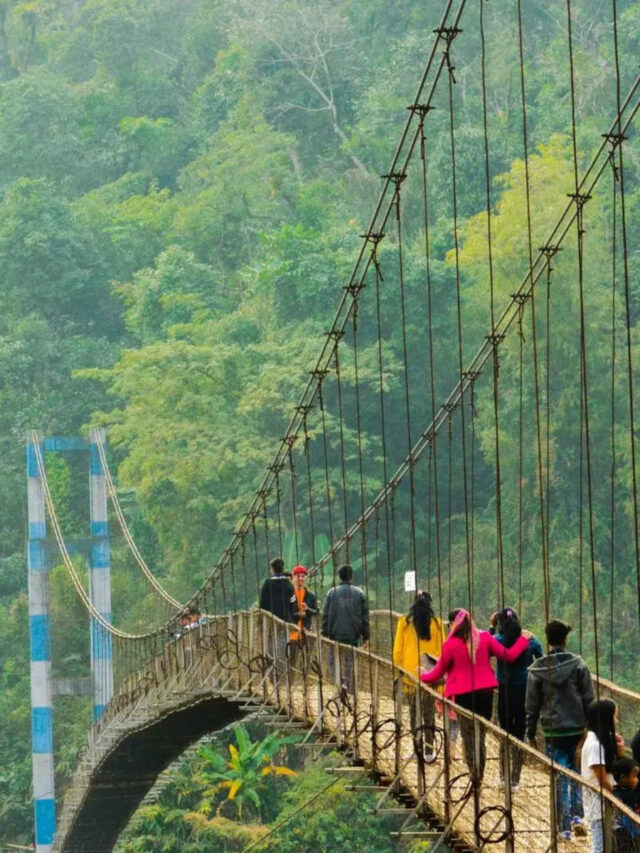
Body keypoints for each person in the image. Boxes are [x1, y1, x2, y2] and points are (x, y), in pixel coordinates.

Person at [420, 608, 531, 781]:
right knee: (480, 734)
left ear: (453, 625)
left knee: (468, 734)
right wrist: (523, 640)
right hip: (485, 694)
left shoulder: (450, 645)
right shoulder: (485, 638)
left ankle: (475, 774)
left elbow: (436, 673)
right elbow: (508, 656)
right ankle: (479, 771)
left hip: (463, 696)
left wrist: (421, 675)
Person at [526, 619, 594, 840]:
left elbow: (532, 705)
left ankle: (563, 827)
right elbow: (589, 699)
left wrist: (530, 732)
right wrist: (591, 728)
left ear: (548, 639)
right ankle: (577, 816)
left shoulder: (538, 670)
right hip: (577, 729)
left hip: (553, 731)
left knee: (559, 777)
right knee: (576, 772)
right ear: (565, 639)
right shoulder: (579, 665)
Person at [491, 607, 543, 791]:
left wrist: (491, 628)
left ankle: (503, 778)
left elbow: (483, 648)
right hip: (524, 690)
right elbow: (541, 661)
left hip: (504, 690)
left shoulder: (497, 639)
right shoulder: (531, 640)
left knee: (504, 733)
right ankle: (515, 781)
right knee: (519, 734)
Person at [393, 591, 445, 762]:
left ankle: (417, 748)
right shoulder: (437, 625)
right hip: (430, 675)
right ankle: (429, 752)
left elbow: (398, 651)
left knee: (414, 712)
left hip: (410, 675)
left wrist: (399, 669)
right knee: (429, 713)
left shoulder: (404, 622)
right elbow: (443, 651)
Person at [581, 699, 625, 852]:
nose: (616, 721)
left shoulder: (596, 740)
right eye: (614, 717)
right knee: (600, 847)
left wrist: (619, 753)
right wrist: (619, 797)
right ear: (606, 718)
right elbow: (602, 779)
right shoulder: (594, 745)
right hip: (599, 804)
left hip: (602, 803)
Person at [321, 564, 370, 692]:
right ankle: (349, 688)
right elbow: (365, 618)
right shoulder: (360, 593)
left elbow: (325, 615)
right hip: (353, 636)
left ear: (339, 577)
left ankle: (339, 685)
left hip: (334, 636)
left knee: (333, 662)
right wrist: (366, 636)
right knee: (351, 663)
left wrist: (324, 633)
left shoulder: (331, 593)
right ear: (352, 577)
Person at [259, 557, 295, 683]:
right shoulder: (289, 585)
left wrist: (261, 622)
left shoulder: (267, 584)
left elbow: (262, 605)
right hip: (285, 622)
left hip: (271, 622)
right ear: (283, 568)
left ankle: (272, 674)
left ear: (272, 569)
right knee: (283, 647)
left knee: (270, 647)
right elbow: (293, 603)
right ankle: (281, 673)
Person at [288, 565, 318, 671]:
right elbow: (286, 612)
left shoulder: (311, 595)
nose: (301, 578)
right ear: (293, 578)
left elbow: (316, 612)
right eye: (298, 576)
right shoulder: (289, 594)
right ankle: (289, 685)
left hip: (307, 633)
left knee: (307, 662)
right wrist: (298, 614)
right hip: (292, 634)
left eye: (303, 576)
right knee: (291, 661)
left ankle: (306, 685)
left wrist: (308, 609)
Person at [612, 757, 640, 852]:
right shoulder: (626, 795)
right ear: (623, 778)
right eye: (634, 776)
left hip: (619, 830)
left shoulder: (615, 791)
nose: (637, 780)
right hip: (627, 832)